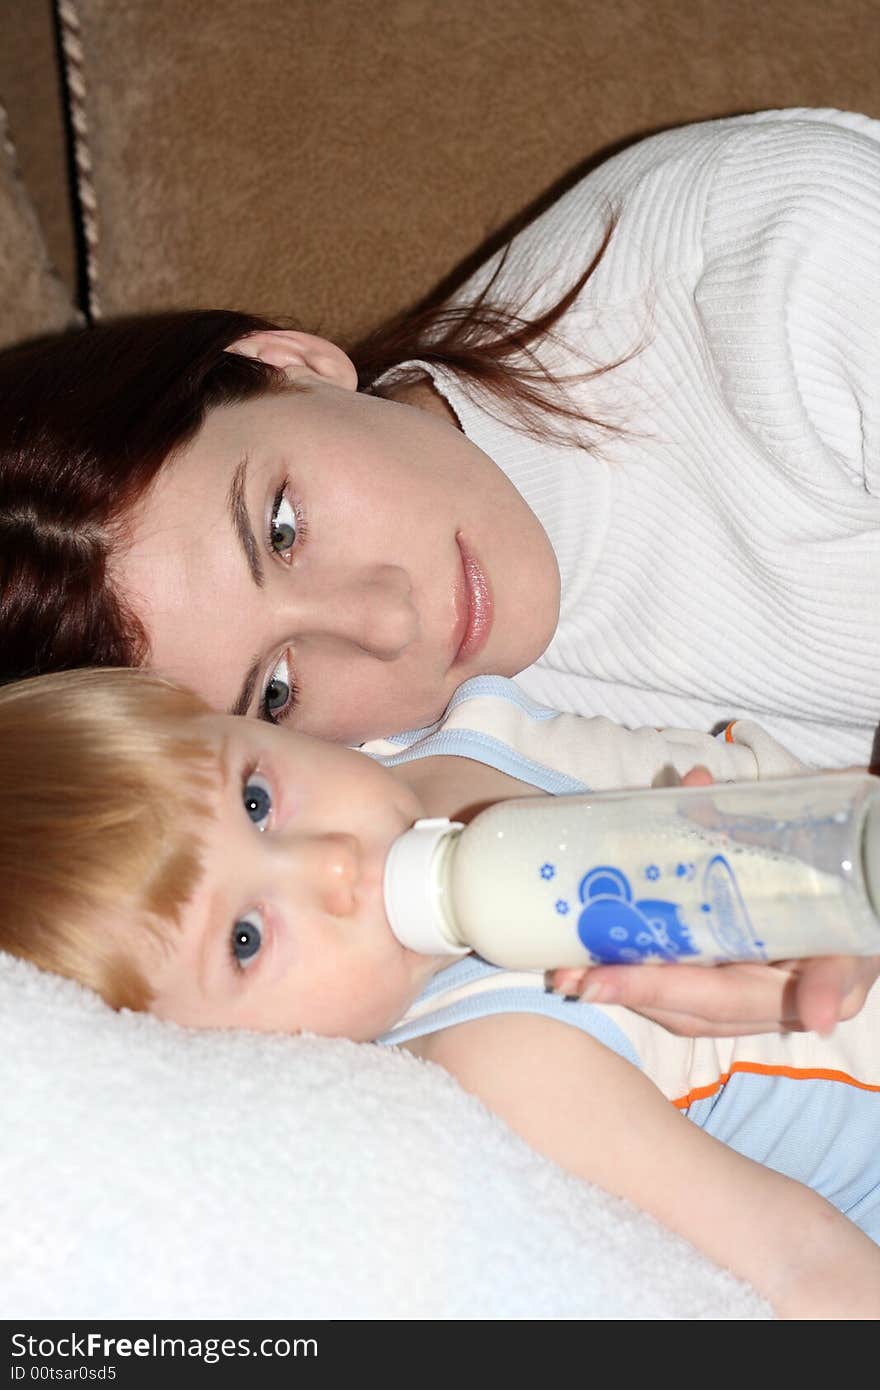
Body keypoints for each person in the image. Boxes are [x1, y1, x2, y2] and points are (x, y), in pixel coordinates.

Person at [2, 106, 879, 1034]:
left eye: (284, 526)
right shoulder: (348, 809)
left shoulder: (760, 254)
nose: (384, 624)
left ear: (286, 362)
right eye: (276, 689)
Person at [1, 665, 878, 1320]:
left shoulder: (446, 730)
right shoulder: (501, 1063)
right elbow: (795, 1262)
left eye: (257, 800)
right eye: (246, 939)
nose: (333, 863)